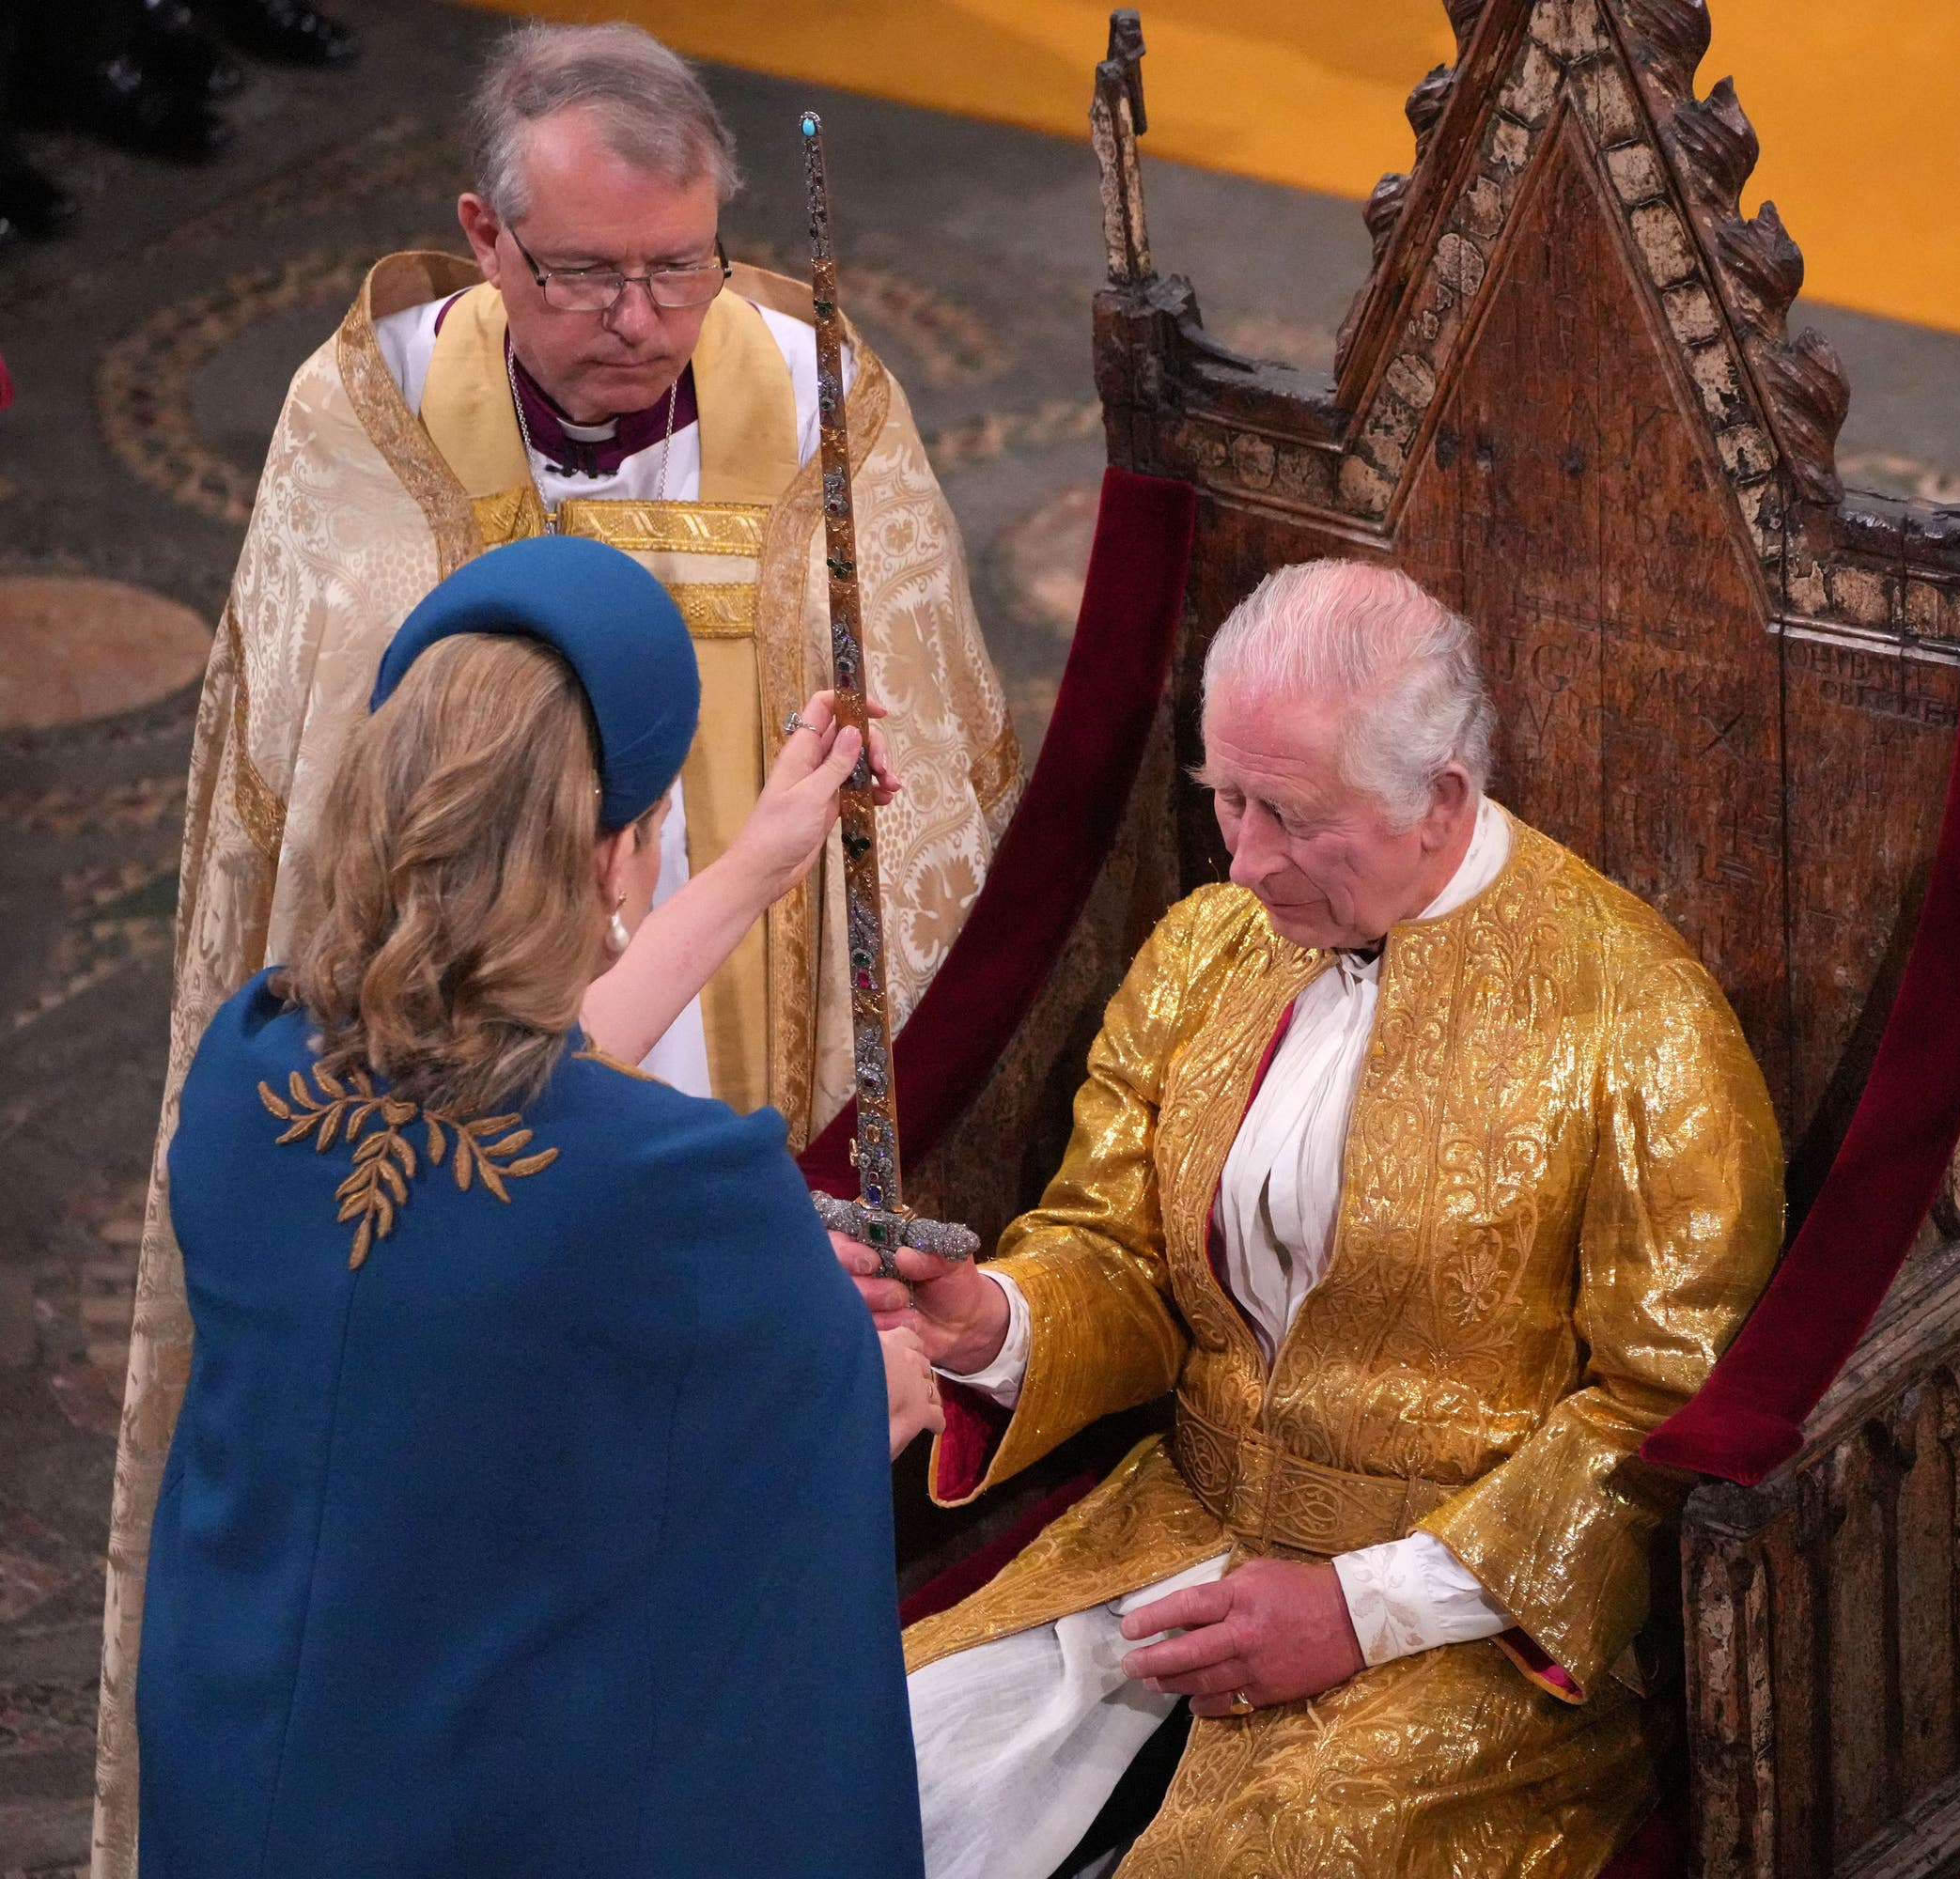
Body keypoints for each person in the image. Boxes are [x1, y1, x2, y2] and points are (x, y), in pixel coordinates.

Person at [96, 21, 1017, 1859]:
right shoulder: (359, 427)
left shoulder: (253, 1067)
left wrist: (763, 861)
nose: (639, 312)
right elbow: (811, 1388)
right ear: (483, 237)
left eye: (681, 266)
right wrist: (932, 1340)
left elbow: (511, 1072)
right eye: (587, 270)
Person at [843, 560, 1783, 1877]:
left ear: (1438, 799)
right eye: (1224, 798)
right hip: (1172, 1532)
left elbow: (1660, 1407)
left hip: (1458, 1634)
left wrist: (1363, 1609)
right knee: (865, 1773)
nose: (1244, 859)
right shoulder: (1211, 947)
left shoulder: (1636, 1027)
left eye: (1289, 814)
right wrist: (993, 1316)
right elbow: (1115, 1251)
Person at [133, 537, 932, 1879]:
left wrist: (747, 873)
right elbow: (814, 1448)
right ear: (617, 854)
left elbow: (506, 1108)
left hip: (242, 1771)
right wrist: (885, 1372)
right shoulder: (688, 1193)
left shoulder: (247, 1069)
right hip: (480, 1812)